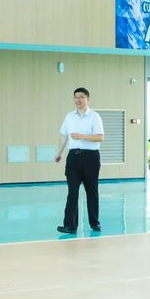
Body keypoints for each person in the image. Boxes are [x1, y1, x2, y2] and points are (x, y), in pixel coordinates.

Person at [55, 87, 104, 234]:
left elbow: (100, 137)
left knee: (92, 191)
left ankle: (95, 223)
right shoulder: (69, 116)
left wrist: (82, 136)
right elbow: (64, 136)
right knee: (72, 192)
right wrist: (59, 153)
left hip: (91, 157)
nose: (78, 99)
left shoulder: (94, 116)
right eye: (76, 97)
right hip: (73, 157)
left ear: (87, 99)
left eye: (81, 97)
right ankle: (70, 225)